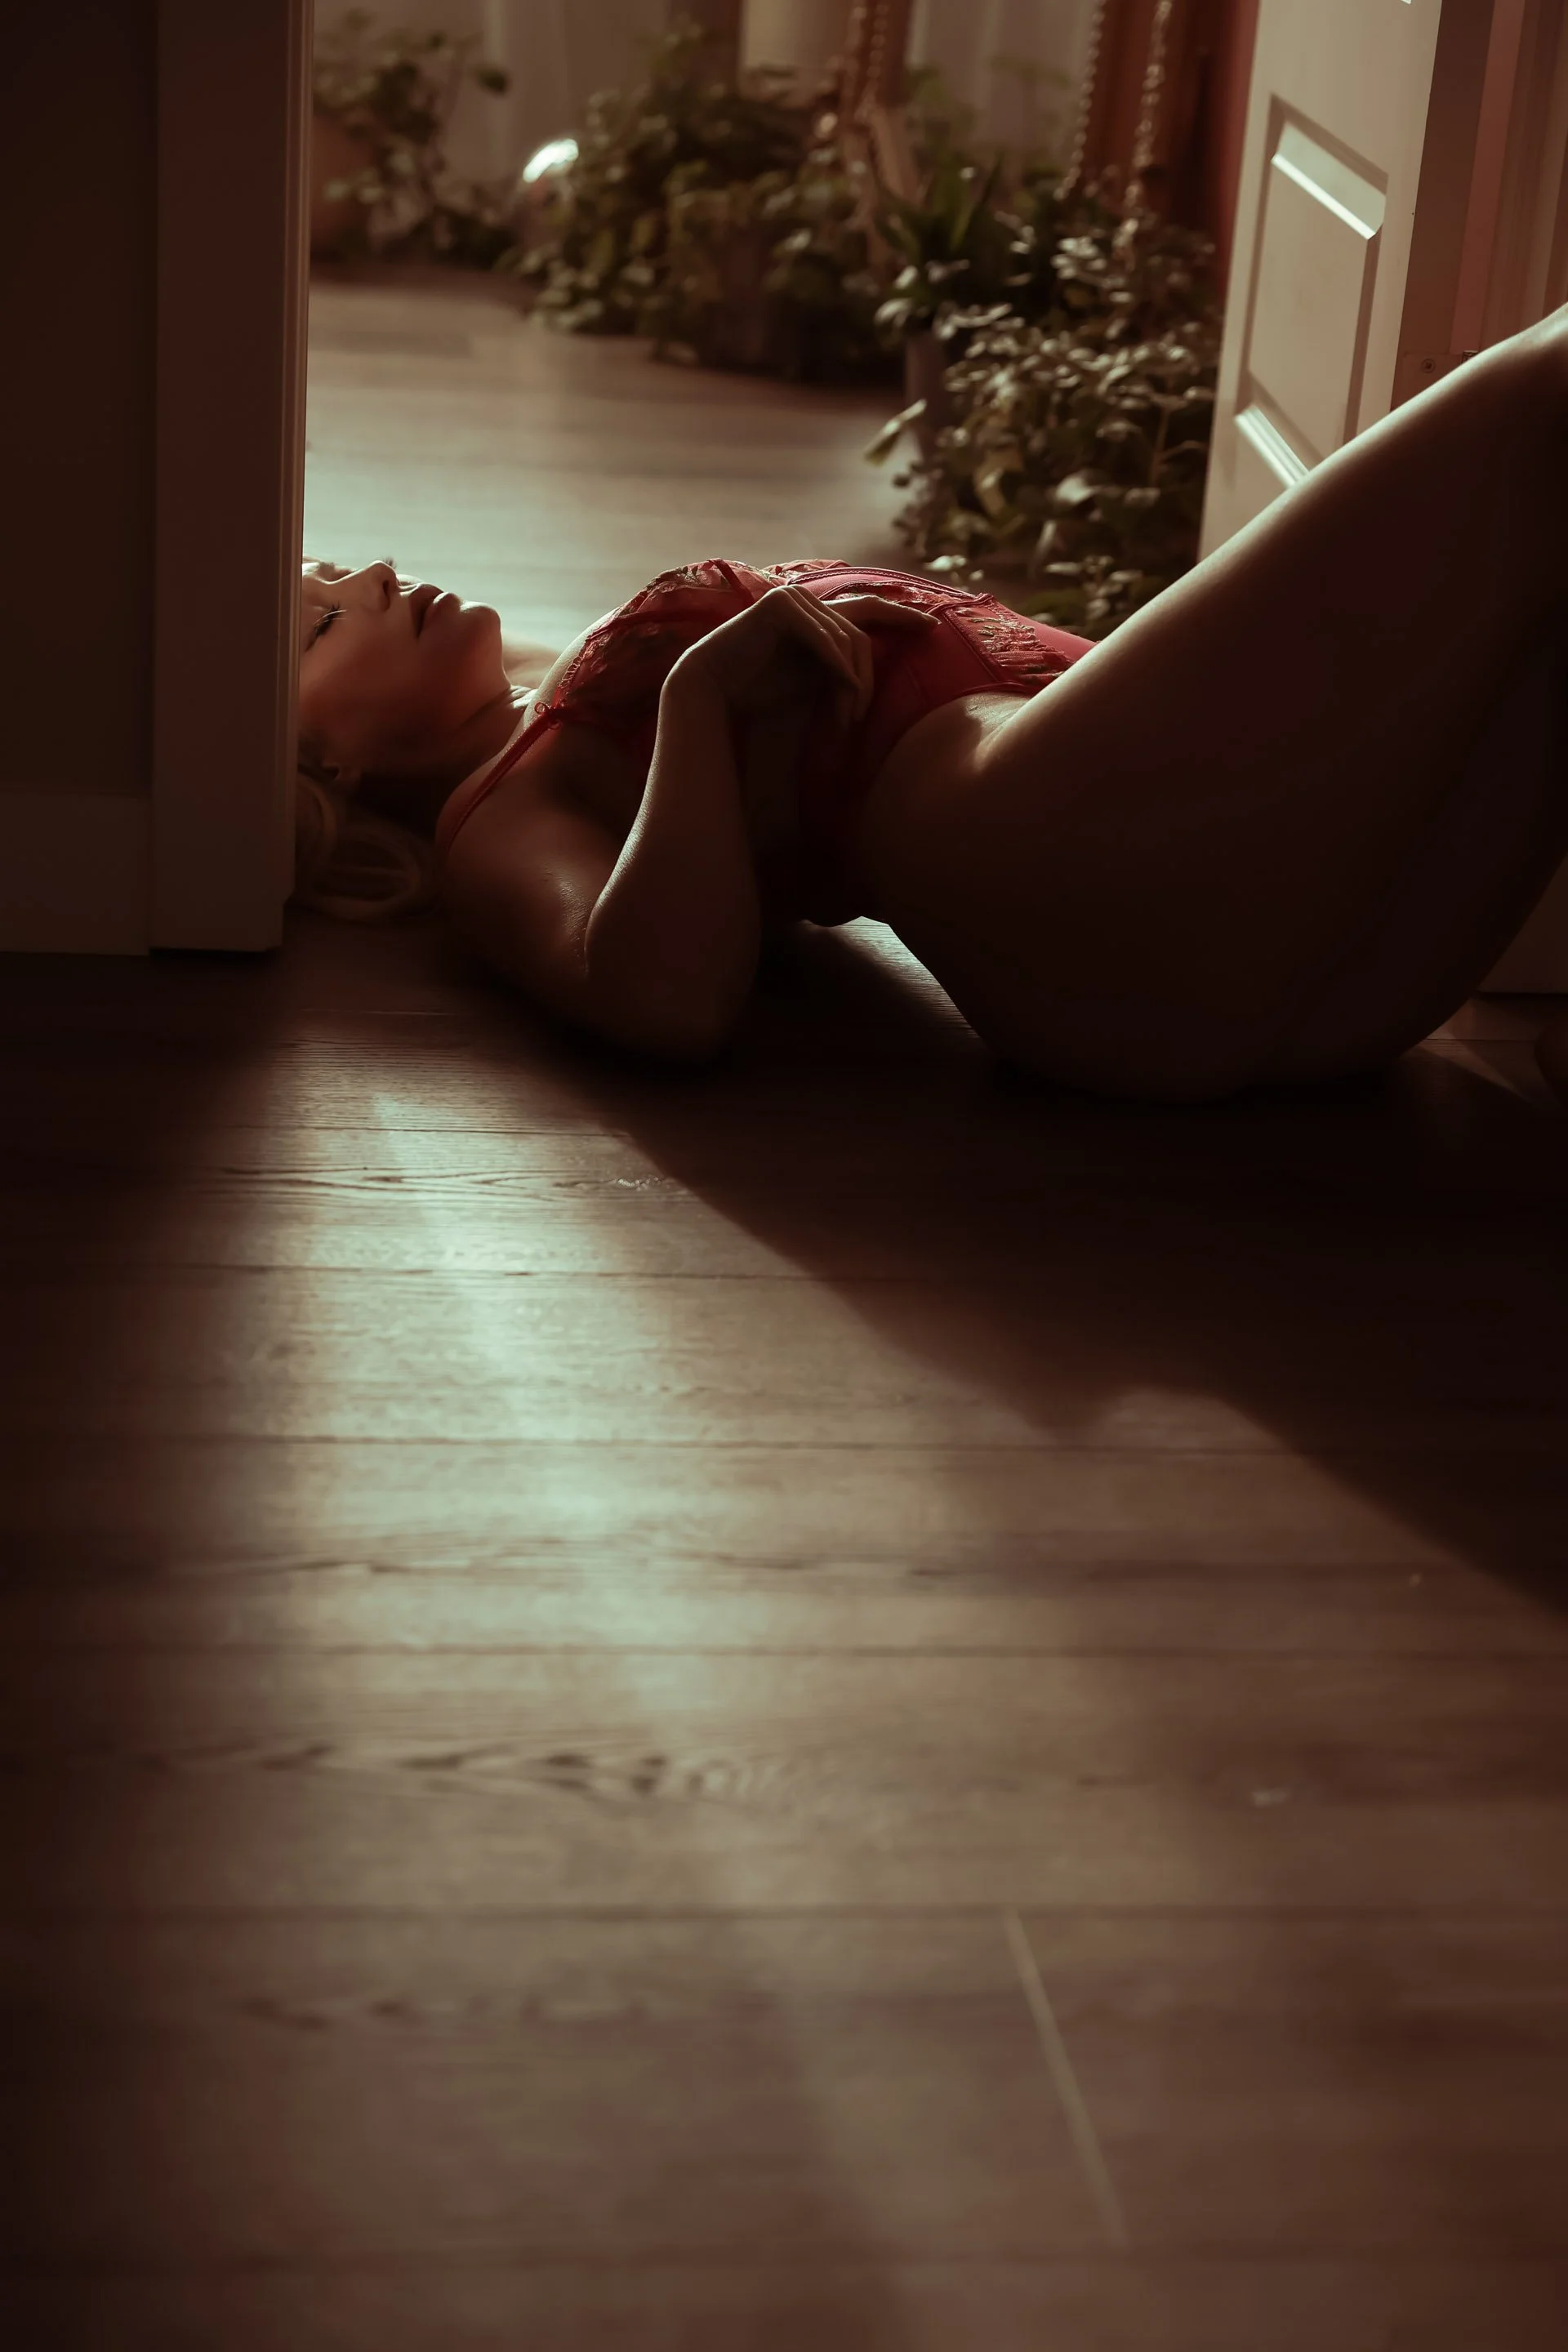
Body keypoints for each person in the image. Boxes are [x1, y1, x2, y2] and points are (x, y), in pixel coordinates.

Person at [296, 308, 1568, 1107]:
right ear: (321, 766)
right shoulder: (498, 820)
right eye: (315, 618)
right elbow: (662, 1002)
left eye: (338, 559)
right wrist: (700, 693)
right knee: (1536, 400)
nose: (371, 575)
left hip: (1287, 980)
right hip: (1084, 889)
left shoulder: (545, 691)